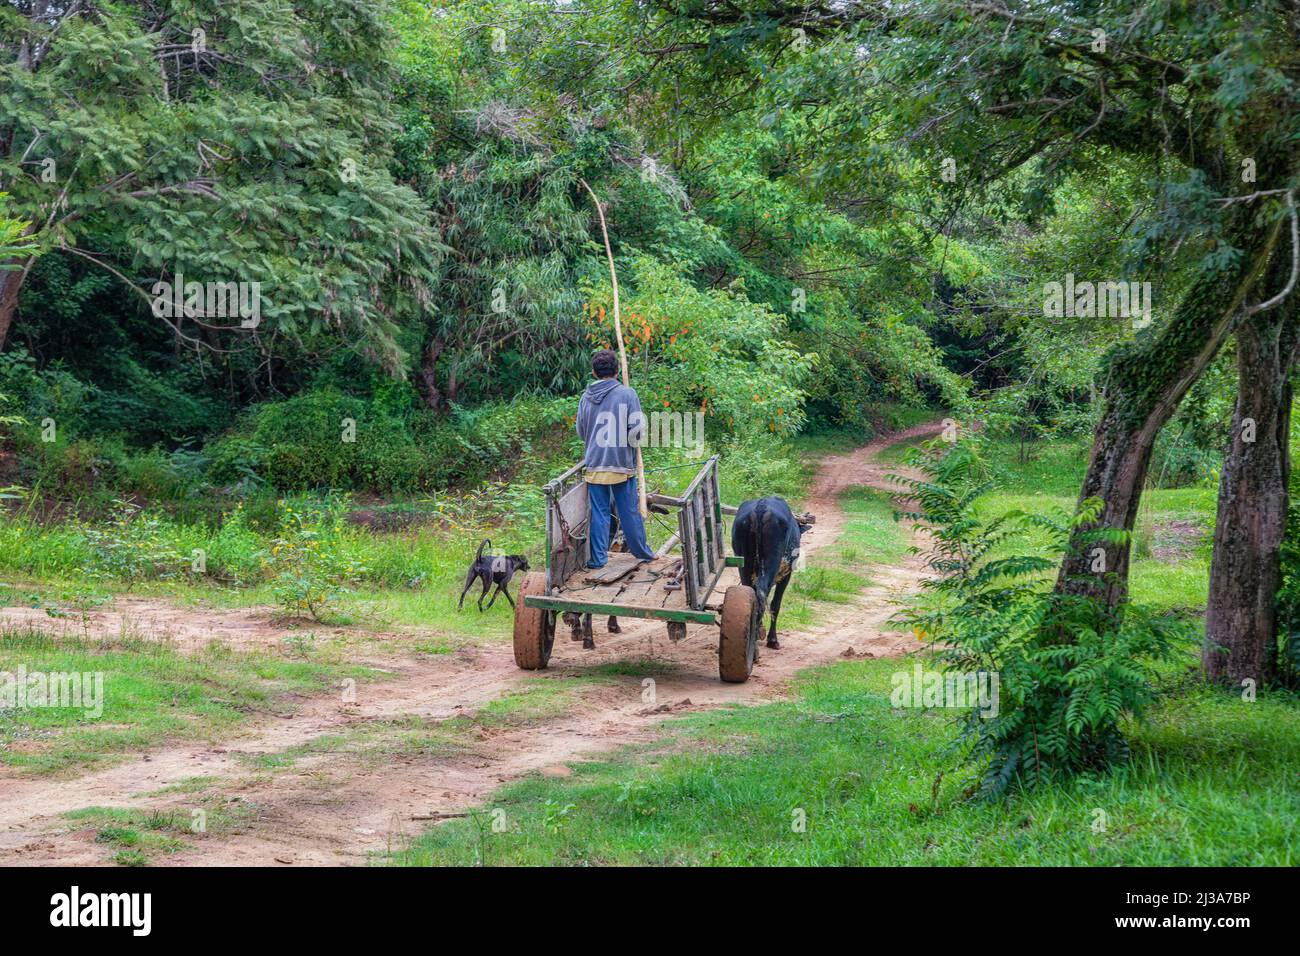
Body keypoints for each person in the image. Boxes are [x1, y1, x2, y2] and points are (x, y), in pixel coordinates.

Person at [575, 349, 657, 569]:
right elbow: (637, 432)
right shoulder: (627, 394)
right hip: (621, 465)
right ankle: (643, 552)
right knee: (629, 510)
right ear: (617, 370)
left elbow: (582, 432)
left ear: (594, 372)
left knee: (600, 514)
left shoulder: (585, 398)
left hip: (595, 465)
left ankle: (598, 559)